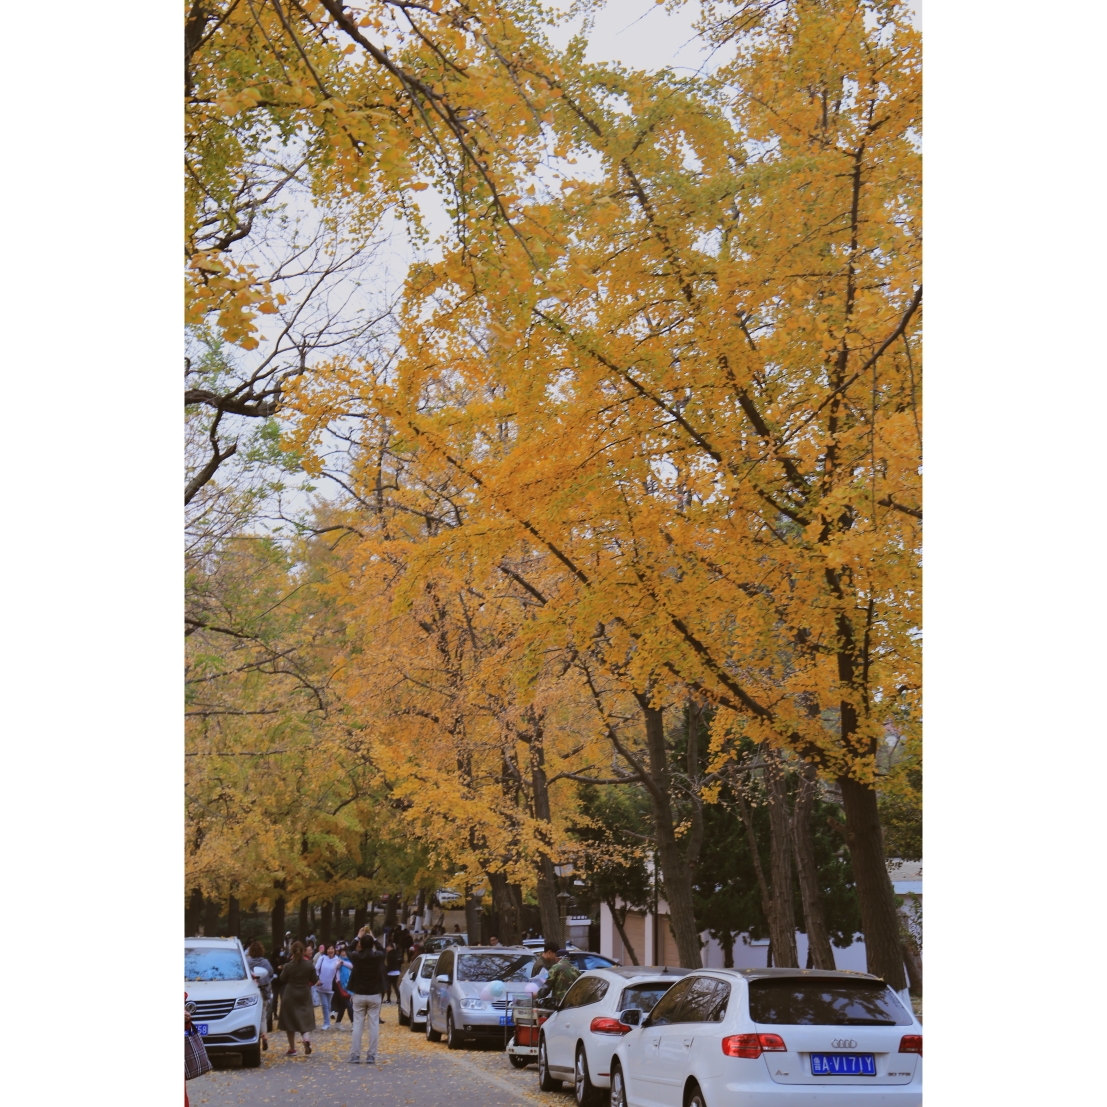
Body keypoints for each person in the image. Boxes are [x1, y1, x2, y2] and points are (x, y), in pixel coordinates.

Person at [346, 928, 386, 1064]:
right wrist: (374, 938)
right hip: (374, 994)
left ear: (361, 945)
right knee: (373, 1025)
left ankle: (355, 1055)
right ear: (372, 944)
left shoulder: (357, 957)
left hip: (359, 994)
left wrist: (358, 937)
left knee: (358, 1025)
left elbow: (349, 949)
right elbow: (383, 950)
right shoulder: (377, 957)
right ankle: (371, 1055)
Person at [277, 941, 318, 1056]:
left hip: (290, 994)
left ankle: (292, 1049)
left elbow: (282, 978)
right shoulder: (309, 965)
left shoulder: (288, 966)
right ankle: (306, 1039)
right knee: (303, 1018)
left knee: (290, 1021)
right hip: (304, 994)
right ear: (303, 951)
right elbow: (314, 980)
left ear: (292, 952)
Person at [245, 941, 275, 1052]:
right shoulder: (265, 962)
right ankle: (264, 1035)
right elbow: (271, 973)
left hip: (250, 993)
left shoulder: (246, 962)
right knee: (263, 1015)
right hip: (263, 992)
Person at [316, 943, 351, 1031]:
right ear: (326, 950)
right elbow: (316, 969)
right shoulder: (322, 958)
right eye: (328, 949)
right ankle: (326, 1023)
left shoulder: (337, 959)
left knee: (329, 1005)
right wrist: (316, 979)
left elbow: (340, 968)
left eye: (332, 949)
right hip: (321, 984)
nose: (330, 950)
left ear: (334, 950)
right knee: (324, 1005)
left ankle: (330, 1022)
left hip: (331, 986)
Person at [332, 941, 354, 1025]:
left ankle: (337, 1022)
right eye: (342, 952)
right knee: (348, 1004)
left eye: (345, 951)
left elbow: (352, 966)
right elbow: (335, 967)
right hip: (340, 984)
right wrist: (340, 962)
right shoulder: (337, 959)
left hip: (349, 983)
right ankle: (353, 1023)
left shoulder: (349, 960)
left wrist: (343, 962)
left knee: (343, 1004)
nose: (343, 953)